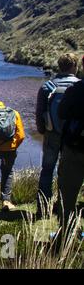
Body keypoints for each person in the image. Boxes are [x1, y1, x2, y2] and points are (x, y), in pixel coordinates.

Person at [35, 53, 81, 218]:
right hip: (72, 138)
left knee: (47, 170)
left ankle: (42, 208)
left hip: (52, 134)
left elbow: (40, 112)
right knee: (67, 173)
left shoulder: (48, 86)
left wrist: (43, 132)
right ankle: (63, 207)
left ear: (59, 66)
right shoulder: (78, 86)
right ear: (75, 66)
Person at [57, 78, 84, 237]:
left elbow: (62, 112)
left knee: (67, 195)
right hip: (75, 147)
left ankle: (65, 236)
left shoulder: (75, 90)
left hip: (75, 148)